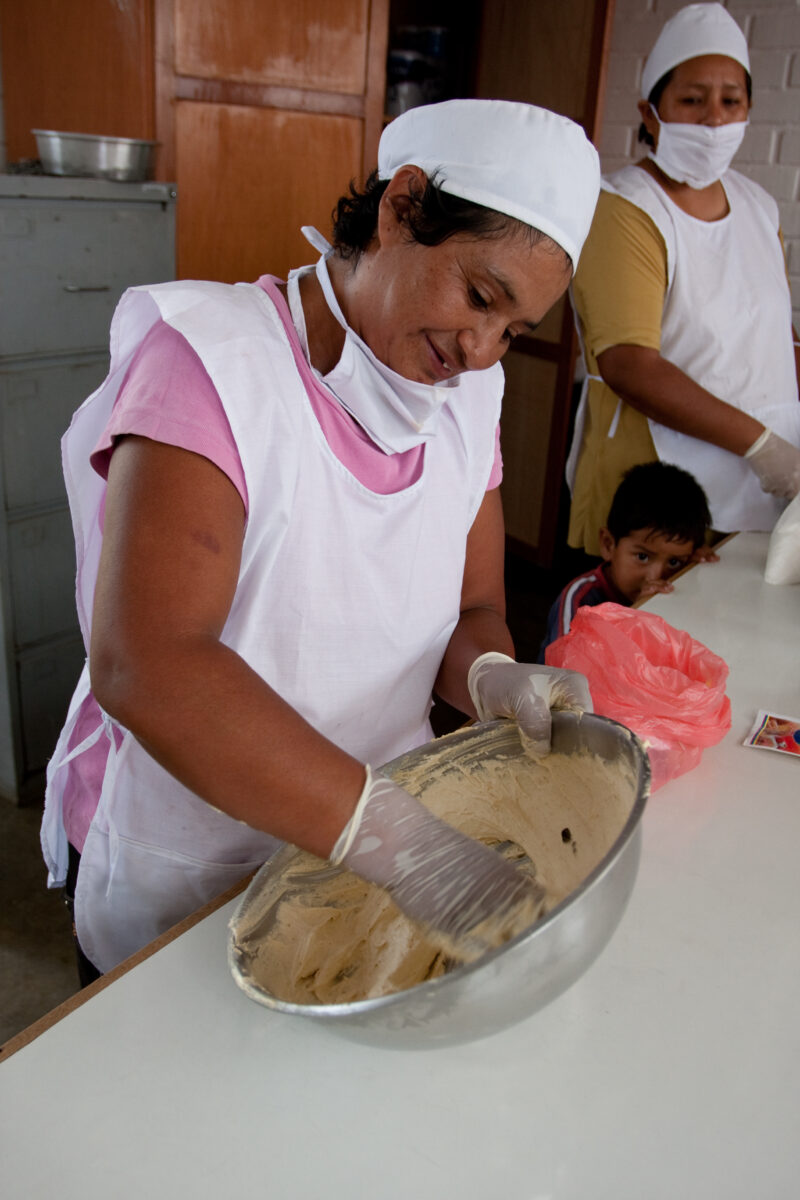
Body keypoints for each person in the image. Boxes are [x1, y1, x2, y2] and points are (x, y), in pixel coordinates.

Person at [40, 99, 601, 979]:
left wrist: (492, 675)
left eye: (514, 330)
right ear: (401, 207)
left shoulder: (467, 402)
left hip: (374, 876)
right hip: (194, 875)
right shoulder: (215, 364)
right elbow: (150, 664)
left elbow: (473, 609)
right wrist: (402, 842)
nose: (481, 349)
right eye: (480, 297)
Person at [566, 2, 800, 558]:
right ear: (651, 115)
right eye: (693, 101)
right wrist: (763, 447)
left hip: (763, 480)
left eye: (731, 101)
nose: (715, 119)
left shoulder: (759, 207)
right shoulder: (624, 207)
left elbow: (774, 334)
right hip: (658, 490)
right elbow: (630, 364)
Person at [539, 461, 713, 661]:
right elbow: (567, 665)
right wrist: (638, 612)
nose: (655, 576)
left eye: (674, 562)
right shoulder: (579, 600)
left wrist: (695, 573)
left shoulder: (674, 585)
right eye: (642, 557)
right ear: (608, 545)